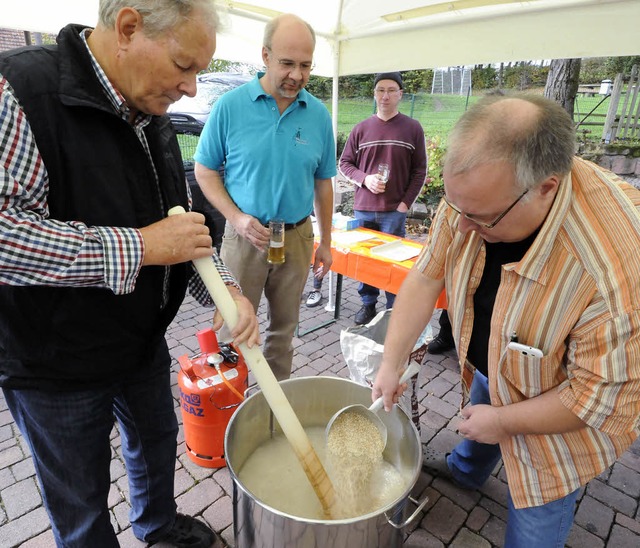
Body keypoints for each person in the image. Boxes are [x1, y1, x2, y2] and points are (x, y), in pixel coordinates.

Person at [0, 1, 259, 546]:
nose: (191, 88)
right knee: (81, 495)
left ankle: (157, 526)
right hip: (54, 362)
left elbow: (180, 226)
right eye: (184, 65)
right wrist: (137, 247)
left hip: (139, 343)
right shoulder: (21, 92)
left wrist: (224, 289)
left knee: (157, 440)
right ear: (128, 28)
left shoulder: (151, 114)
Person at [372, 94, 640, 547]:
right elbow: (425, 276)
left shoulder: (615, 271)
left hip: (560, 425)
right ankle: (465, 469)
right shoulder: (473, 197)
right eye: (454, 209)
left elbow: (595, 399)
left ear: (546, 188)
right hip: (501, 359)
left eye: (479, 217)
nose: (459, 228)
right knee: (484, 410)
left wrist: (503, 421)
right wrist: (390, 363)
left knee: (534, 521)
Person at [194, 13, 335, 380]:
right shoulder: (230, 106)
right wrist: (237, 218)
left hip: (298, 237)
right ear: (266, 55)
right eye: (287, 63)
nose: (297, 75)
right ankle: (230, 411)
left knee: (283, 334)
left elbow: (323, 182)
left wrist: (326, 242)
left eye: (306, 65)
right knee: (233, 329)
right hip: (245, 238)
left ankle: (276, 418)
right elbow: (204, 171)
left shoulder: (318, 115)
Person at [339, 71, 427, 325]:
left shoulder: (412, 128)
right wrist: (365, 179)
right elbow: (345, 163)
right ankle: (367, 304)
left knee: (392, 261)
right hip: (364, 208)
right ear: (374, 94)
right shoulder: (361, 129)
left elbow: (419, 170)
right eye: (380, 90)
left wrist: (405, 204)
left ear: (400, 94)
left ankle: (392, 309)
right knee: (367, 261)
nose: (385, 95)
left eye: (391, 90)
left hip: (393, 210)